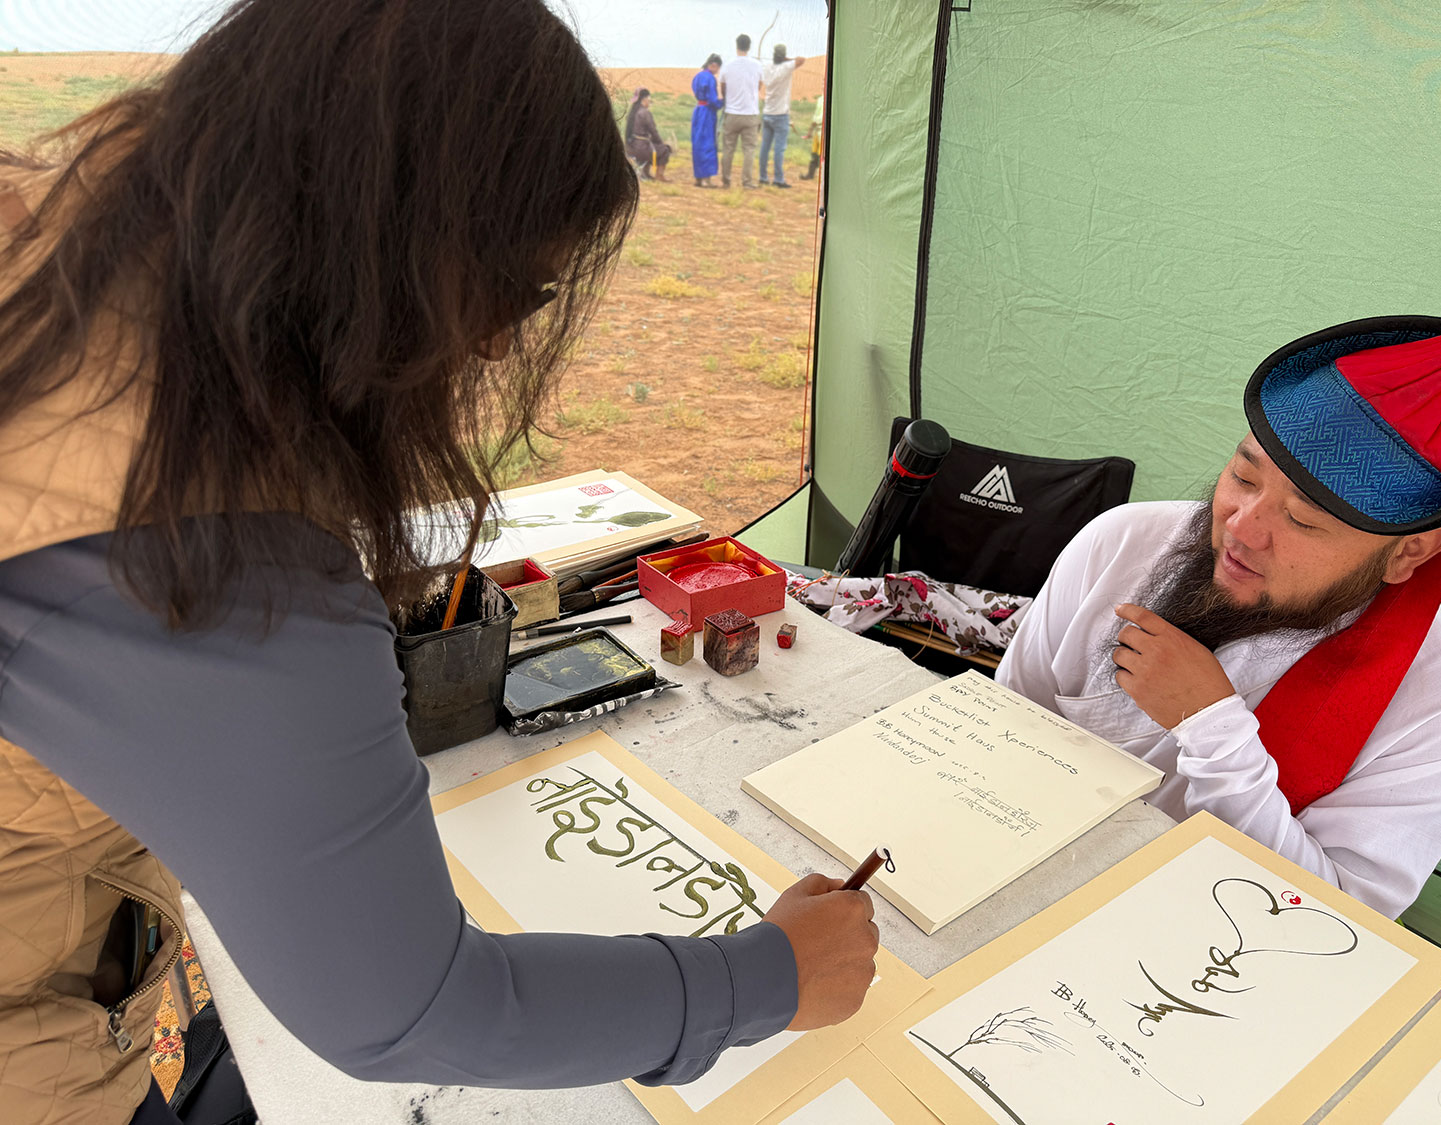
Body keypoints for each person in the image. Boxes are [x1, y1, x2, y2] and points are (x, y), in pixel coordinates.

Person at [0, 3, 879, 1123]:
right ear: (399, 252)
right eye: (522, 291)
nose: (506, 343)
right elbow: (406, 1010)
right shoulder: (207, 567)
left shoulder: (61, 232)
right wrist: (769, 979)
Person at [996, 311, 1441, 920]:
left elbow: (1342, 921)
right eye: (1243, 475)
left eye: (1303, 520)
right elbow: (1001, 732)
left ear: (1408, 551)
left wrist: (1212, 728)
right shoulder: (1121, 542)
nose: (1240, 527)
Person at [718, 33, 762, 189]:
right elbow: (759, 86)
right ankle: (747, 182)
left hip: (732, 113)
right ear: (749, 47)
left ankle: (726, 181)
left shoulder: (727, 65)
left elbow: (722, 87)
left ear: (737, 46)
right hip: (750, 114)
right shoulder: (757, 65)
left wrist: (729, 98)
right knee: (749, 149)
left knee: (728, 148)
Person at [758, 44, 805, 189]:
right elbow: (802, 59)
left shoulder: (767, 67)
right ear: (783, 55)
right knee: (779, 149)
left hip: (767, 113)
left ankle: (763, 177)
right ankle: (778, 179)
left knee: (765, 147)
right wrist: (787, 59)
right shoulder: (786, 67)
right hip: (780, 115)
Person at [625, 88, 673, 182]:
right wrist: (661, 143)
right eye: (649, 99)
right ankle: (659, 176)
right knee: (664, 150)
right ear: (644, 99)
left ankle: (645, 173)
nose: (649, 102)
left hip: (631, 147)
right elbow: (653, 131)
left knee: (653, 148)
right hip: (641, 148)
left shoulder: (632, 113)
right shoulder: (644, 113)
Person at [690, 54, 723, 188]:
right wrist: (722, 102)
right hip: (707, 113)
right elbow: (712, 99)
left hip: (698, 110)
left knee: (697, 144)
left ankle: (698, 178)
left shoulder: (697, 76)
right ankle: (706, 180)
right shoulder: (710, 78)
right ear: (714, 65)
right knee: (707, 144)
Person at [800, 92, 824, 181]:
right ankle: (810, 174)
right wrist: (810, 131)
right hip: (818, 130)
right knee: (814, 154)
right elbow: (815, 117)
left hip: (822, 130)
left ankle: (821, 176)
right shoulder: (820, 99)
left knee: (821, 155)